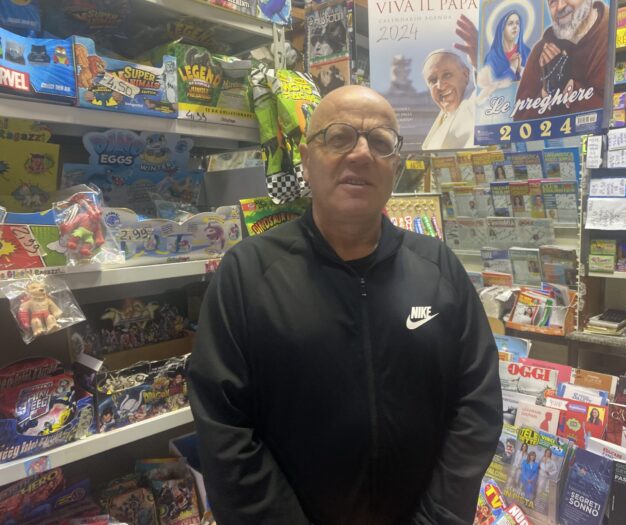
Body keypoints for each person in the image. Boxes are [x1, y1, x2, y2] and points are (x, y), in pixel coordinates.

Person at [187, 85, 503, 525]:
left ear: (396, 165)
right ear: (306, 158)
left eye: (381, 142)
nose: (361, 154)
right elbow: (225, 429)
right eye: (339, 137)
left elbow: (477, 404)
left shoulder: (439, 270)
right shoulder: (247, 274)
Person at [512, 0, 609, 120]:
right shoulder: (544, 50)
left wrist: (570, 87)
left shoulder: (611, 31)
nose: (560, 7)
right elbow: (520, 119)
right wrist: (547, 91)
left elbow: (615, 109)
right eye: (553, 2)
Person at [421, 50, 476, 150]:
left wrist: (481, 64)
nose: (440, 86)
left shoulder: (474, 102)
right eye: (433, 80)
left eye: (447, 75)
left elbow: (487, 89)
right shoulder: (443, 117)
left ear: (465, 75)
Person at [484, 11, 530, 82]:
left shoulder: (526, 52)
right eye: (510, 23)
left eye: (517, 23)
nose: (515, 26)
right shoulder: (492, 57)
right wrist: (512, 68)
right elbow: (490, 84)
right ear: (502, 29)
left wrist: (520, 69)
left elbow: (534, 79)